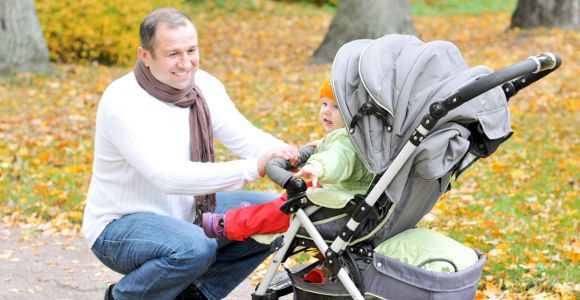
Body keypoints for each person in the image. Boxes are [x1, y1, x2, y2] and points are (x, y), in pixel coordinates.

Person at [81, 7, 300, 300]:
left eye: (191, 50)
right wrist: (251, 168)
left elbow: (246, 137)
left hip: (190, 211)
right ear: (145, 56)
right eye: (173, 54)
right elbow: (166, 176)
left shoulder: (204, 87)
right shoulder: (123, 101)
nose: (186, 63)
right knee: (195, 246)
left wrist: (290, 157)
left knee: (280, 213)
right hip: (119, 225)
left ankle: (194, 295)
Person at [202, 76, 374, 241]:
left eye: (336, 107)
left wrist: (317, 166)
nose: (326, 111)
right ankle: (254, 216)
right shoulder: (358, 139)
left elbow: (338, 159)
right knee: (288, 200)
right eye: (324, 104)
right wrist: (321, 145)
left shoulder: (347, 143)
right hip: (341, 196)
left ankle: (231, 224)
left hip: (340, 204)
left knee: (285, 208)